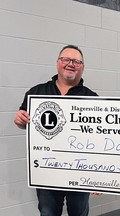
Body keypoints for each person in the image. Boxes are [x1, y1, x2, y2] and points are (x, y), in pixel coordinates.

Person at [14, 44, 98, 216]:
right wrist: (20, 120)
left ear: (82, 67)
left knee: (79, 214)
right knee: (48, 213)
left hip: (79, 173)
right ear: (58, 63)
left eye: (76, 61)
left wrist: (97, 178)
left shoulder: (93, 99)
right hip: (47, 172)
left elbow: (99, 141)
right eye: (66, 59)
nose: (71, 64)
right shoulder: (36, 93)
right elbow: (24, 122)